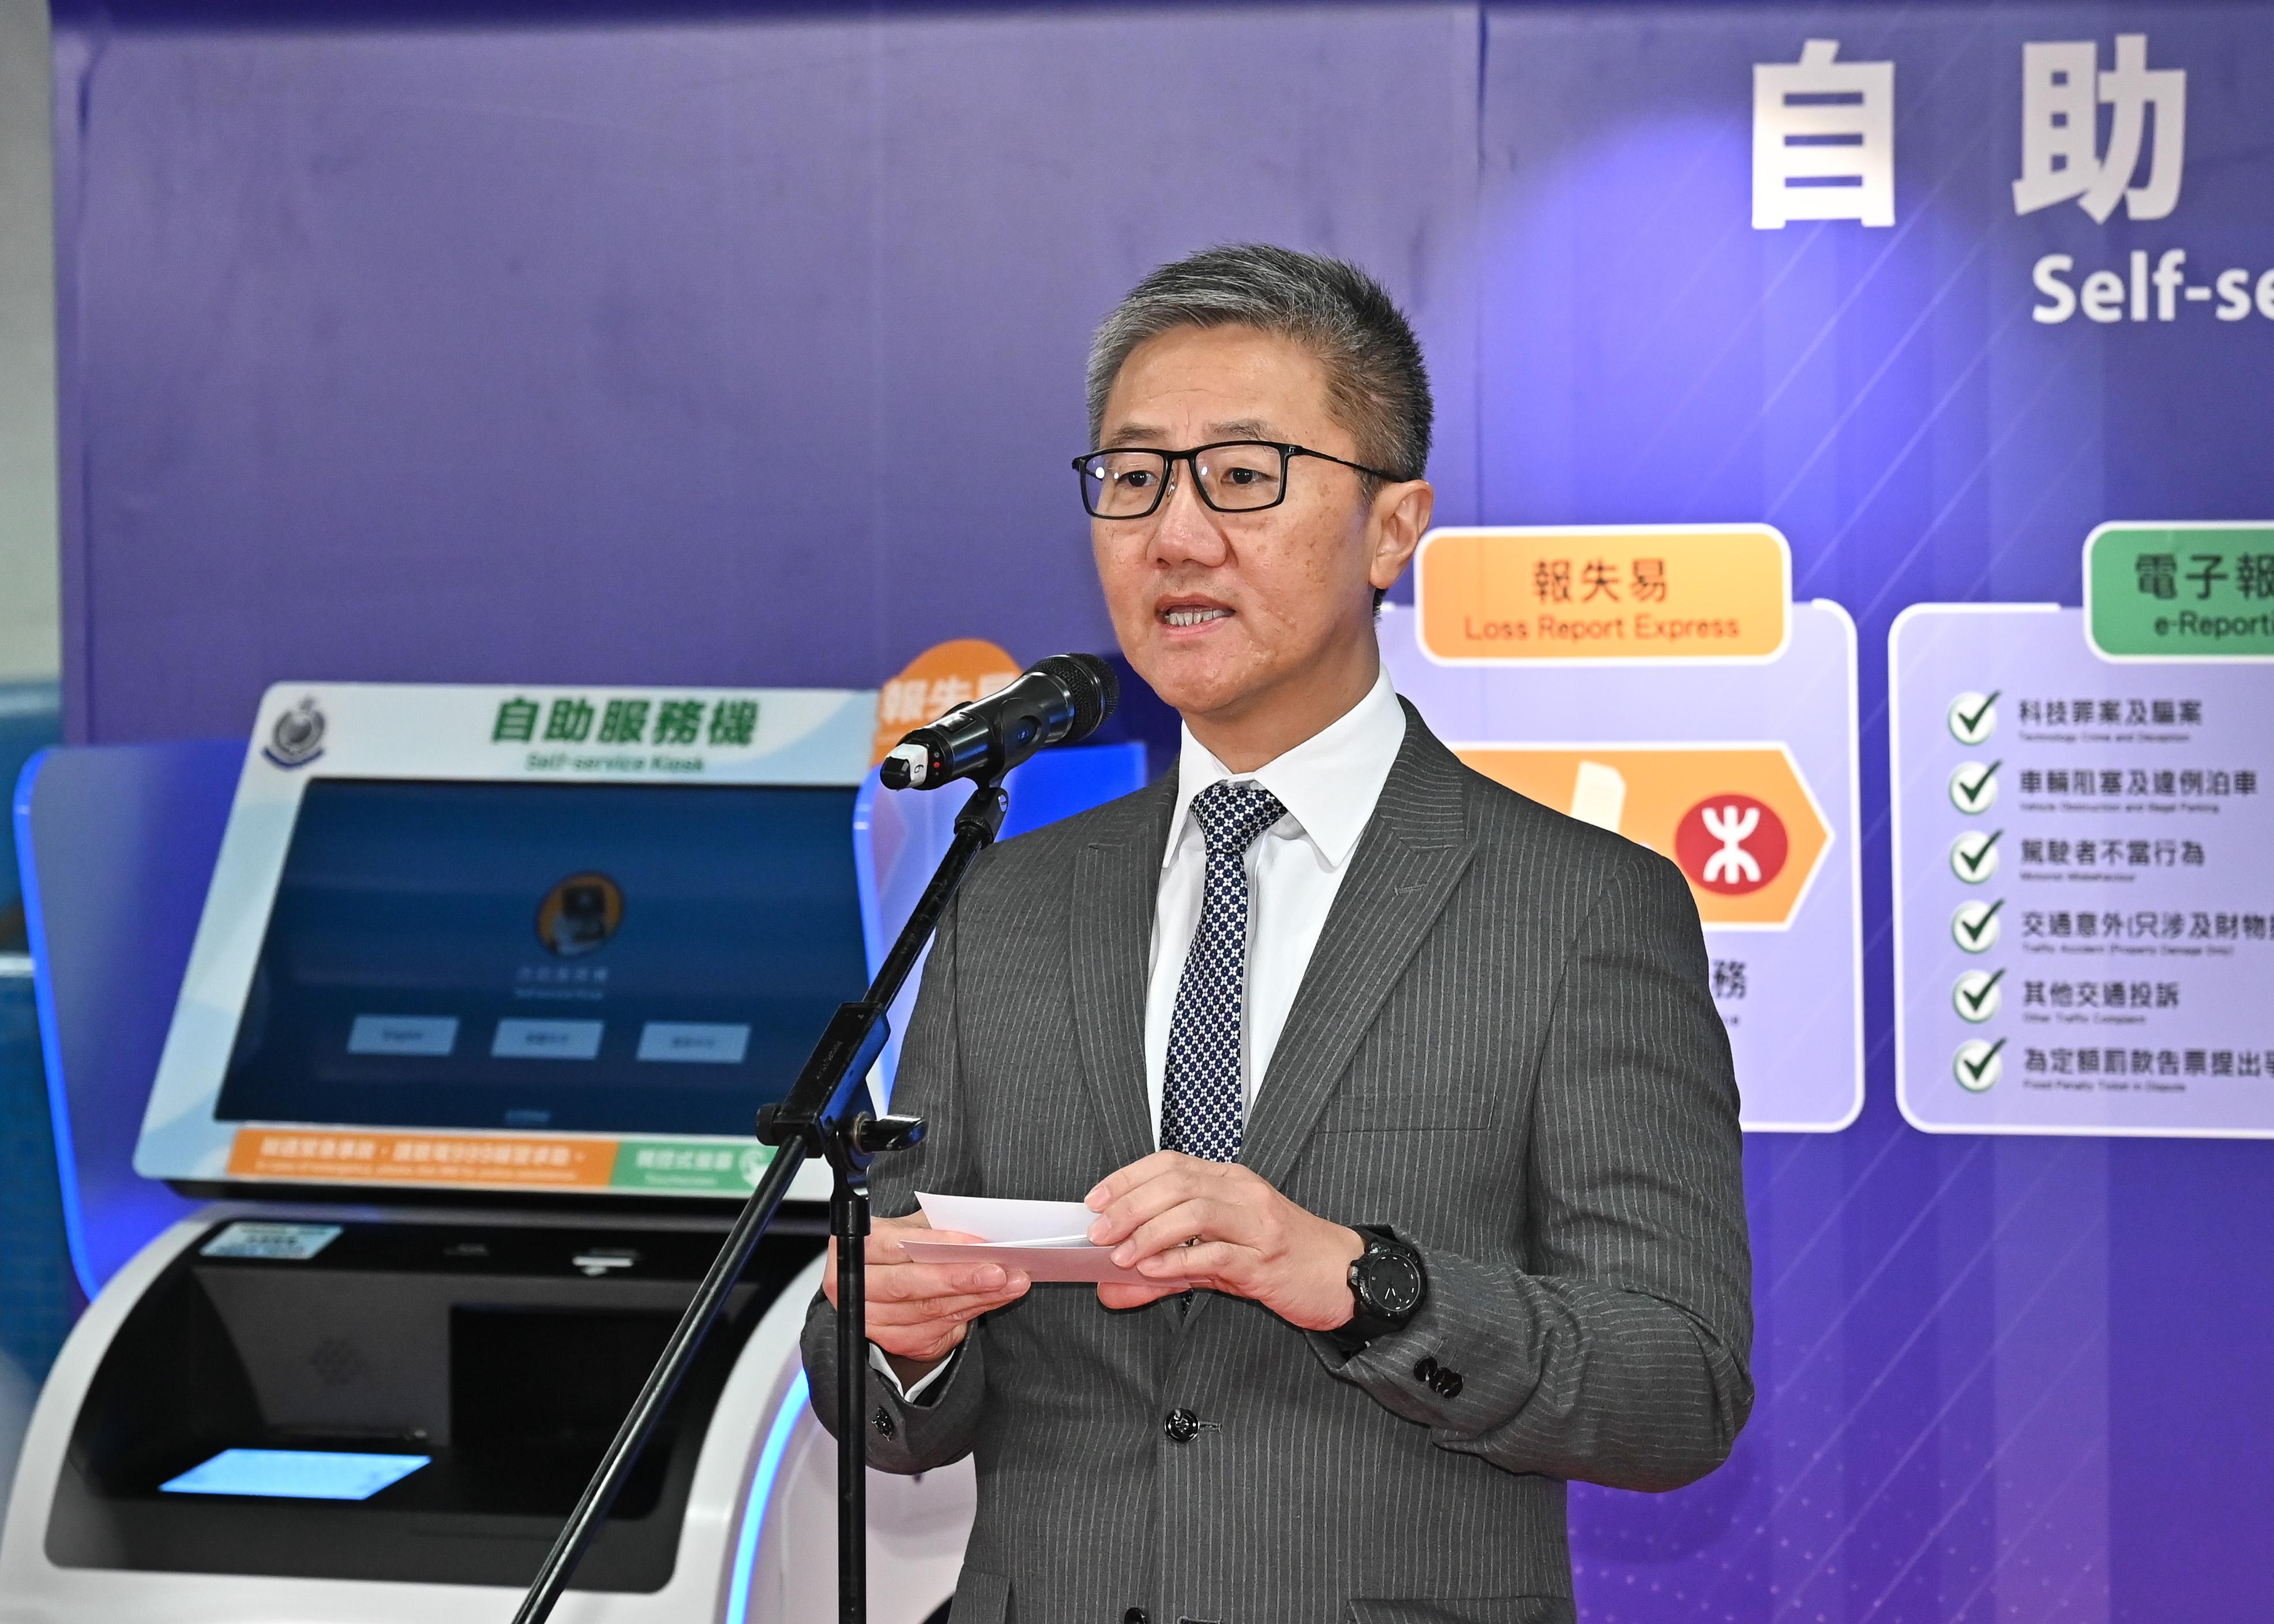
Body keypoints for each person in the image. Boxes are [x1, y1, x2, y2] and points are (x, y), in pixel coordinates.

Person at [802, 243, 1752, 1624]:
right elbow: (901, 1423)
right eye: (1134, 479)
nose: (1177, 535)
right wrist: (895, 1339)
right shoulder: (1004, 897)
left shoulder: (1577, 907)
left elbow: (1678, 1384)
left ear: (1391, 525)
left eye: (1245, 476)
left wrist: (1356, 1280)